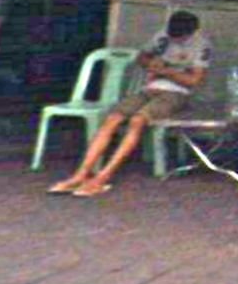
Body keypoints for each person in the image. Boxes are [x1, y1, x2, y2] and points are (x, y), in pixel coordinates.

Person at [48, 10, 212, 197]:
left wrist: (167, 72)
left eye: (179, 37)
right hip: (150, 88)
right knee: (112, 118)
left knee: (137, 121)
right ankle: (80, 174)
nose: (174, 40)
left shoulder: (201, 46)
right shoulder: (163, 36)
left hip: (176, 93)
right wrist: (150, 64)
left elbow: (194, 80)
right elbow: (141, 57)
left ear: (191, 33)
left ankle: (103, 176)